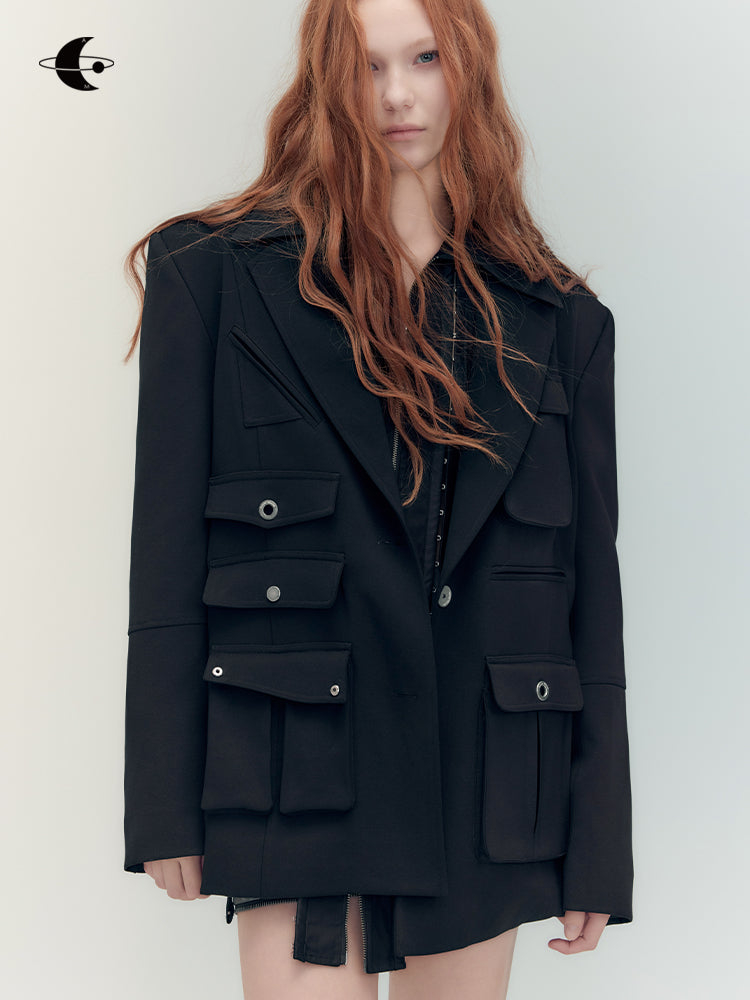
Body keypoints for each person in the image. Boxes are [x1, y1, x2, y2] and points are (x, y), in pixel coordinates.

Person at [121, 0, 633, 997]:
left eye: (426, 58)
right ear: (326, 79)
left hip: (489, 779)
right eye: (368, 65)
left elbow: (588, 595)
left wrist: (600, 844)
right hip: (297, 768)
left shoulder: (560, 322)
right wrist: (163, 801)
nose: (398, 94)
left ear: (469, 69)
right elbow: (167, 555)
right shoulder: (214, 279)